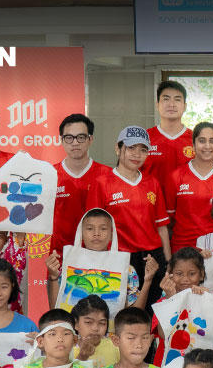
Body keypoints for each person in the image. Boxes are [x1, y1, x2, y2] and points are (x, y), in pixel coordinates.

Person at [88, 126, 172, 306]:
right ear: (118, 149)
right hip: (120, 258)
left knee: (155, 311)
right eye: (131, 148)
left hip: (153, 259)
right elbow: (92, 228)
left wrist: (168, 262)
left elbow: (162, 227)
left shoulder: (152, 182)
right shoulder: (102, 183)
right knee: (123, 313)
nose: (137, 154)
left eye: (143, 150)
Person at [45, 208, 154, 311]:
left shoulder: (127, 269)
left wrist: (148, 281)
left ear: (111, 235)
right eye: (90, 228)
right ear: (81, 233)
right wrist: (53, 277)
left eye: (103, 228)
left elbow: (134, 316)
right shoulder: (68, 265)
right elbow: (56, 311)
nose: (96, 233)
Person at [152, 248, 213, 364]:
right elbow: (163, 334)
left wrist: (211, 302)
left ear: (201, 275)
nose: (185, 279)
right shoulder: (164, 302)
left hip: (200, 367)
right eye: (179, 274)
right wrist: (170, 300)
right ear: (170, 275)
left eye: (192, 274)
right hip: (169, 366)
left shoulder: (206, 299)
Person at [168, 122, 213, 252]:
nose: (207, 146)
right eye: (202, 141)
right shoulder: (176, 176)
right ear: (193, 144)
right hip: (183, 249)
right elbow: (169, 220)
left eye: (212, 141)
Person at [54, 113, 111, 255]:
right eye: (69, 137)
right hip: (59, 256)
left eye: (81, 137)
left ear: (90, 139)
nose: (75, 143)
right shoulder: (50, 175)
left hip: (100, 255)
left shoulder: (108, 175)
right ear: (61, 140)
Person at [144, 81, 194, 190]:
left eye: (177, 99)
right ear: (157, 105)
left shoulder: (195, 139)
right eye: (166, 99)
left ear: (185, 106)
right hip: (150, 199)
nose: (171, 104)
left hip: (186, 200)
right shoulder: (144, 138)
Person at [72, 295, 120, 367]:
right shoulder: (66, 350)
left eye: (101, 323)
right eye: (88, 322)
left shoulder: (116, 347)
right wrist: (82, 356)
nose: (95, 328)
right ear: (76, 324)